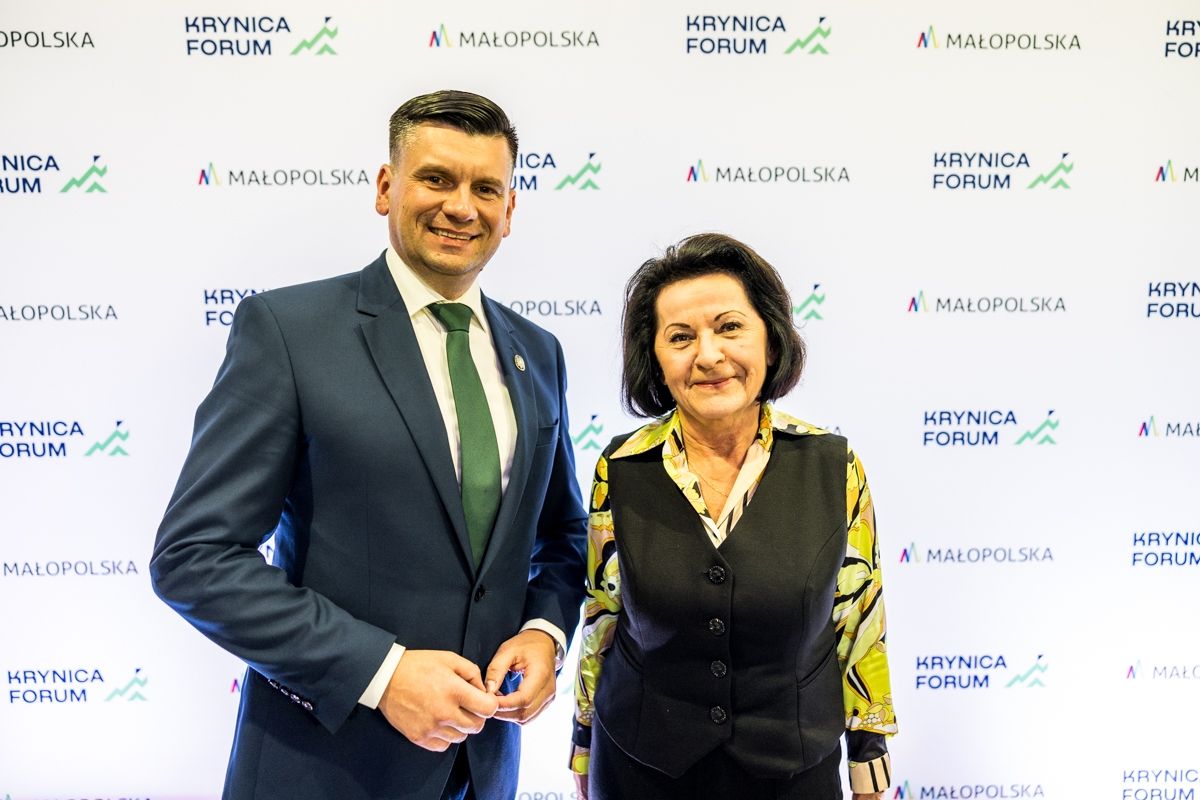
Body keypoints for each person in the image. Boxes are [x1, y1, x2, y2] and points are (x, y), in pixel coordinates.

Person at [150, 90, 587, 800]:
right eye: (436, 179)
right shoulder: (288, 331)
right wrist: (382, 673)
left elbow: (563, 538)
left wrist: (545, 631)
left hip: (483, 770)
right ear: (387, 188)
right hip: (321, 769)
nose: (462, 207)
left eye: (486, 189)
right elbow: (195, 558)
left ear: (510, 211)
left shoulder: (539, 353)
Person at [569, 233, 897, 800]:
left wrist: (870, 760)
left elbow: (859, 623)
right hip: (641, 769)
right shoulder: (620, 467)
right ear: (656, 360)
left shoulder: (833, 465)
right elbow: (603, 618)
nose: (708, 355)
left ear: (770, 341)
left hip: (792, 772)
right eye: (680, 337)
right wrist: (582, 744)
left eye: (729, 327)